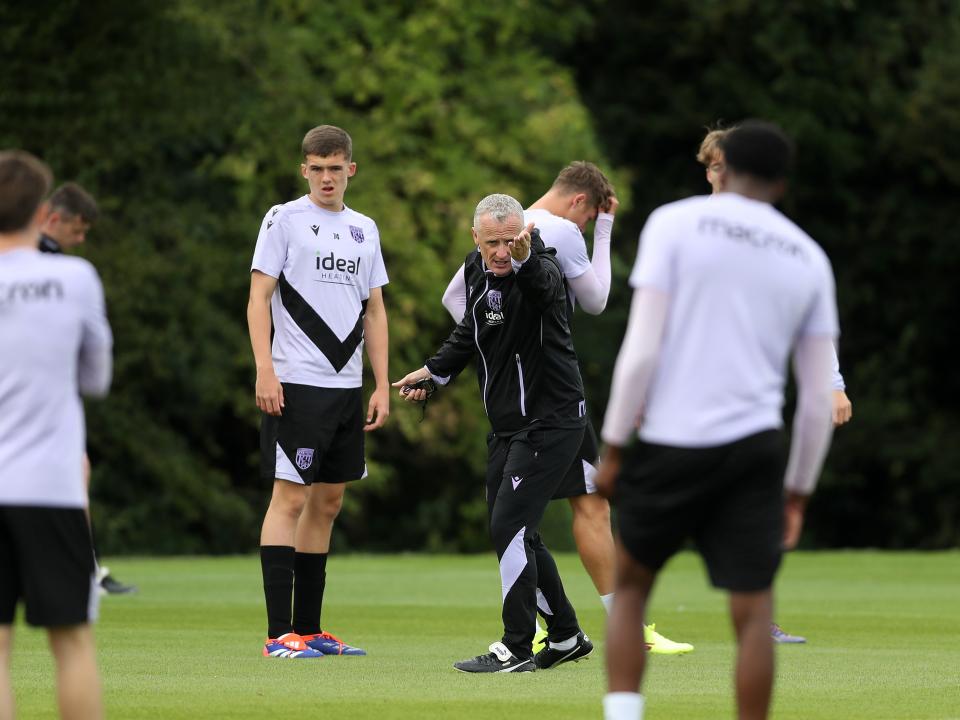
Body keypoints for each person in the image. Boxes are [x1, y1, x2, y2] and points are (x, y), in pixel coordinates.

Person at [597, 121, 837, 720]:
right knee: (754, 610)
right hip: (754, 447)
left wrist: (615, 446)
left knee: (630, 590)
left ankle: (624, 714)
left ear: (720, 167)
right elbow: (813, 400)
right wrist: (799, 492)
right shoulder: (808, 256)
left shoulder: (673, 223)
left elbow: (642, 350)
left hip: (672, 437)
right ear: (782, 183)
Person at [441, 163, 691, 655]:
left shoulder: (502, 225)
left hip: (536, 399)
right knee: (572, 511)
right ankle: (605, 627)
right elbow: (597, 300)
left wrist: (499, 336)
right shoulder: (555, 233)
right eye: (589, 216)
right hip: (552, 396)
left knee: (562, 509)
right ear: (580, 203)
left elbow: (455, 298)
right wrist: (604, 231)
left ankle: (564, 630)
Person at [396, 193, 592, 673]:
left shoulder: (539, 265)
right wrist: (433, 373)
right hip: (508, 428)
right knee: (518, 531)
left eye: (511, 240)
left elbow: (546, 289)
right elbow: (471, 332)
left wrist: (526, 257)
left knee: (509, 527)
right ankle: (565, 636)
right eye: (493, 243)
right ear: (476, 239)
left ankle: (516, 646)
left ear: (524, 233)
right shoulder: (476, 270)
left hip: (551, 422)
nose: (502, 252)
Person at [699, 127, 853, 643]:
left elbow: (806, 310)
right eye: (713, 166)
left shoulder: (776, 239)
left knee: (752, 510)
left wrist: (831, 382)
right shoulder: (684, 230)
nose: (720, 175)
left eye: (727, 165)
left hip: (750, 403)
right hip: (685, 406)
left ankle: (758, 620)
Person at [248, 125, 390, 659]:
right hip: (296, 383)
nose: (327, 177)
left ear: (351, 169)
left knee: (328, 501)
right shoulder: (283, 219)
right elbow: (258, 297)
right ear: (304, 169)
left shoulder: (365, 229)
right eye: (317, 167)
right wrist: (265, 368)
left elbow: (374, 309)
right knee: (290, 497)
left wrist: (380, 383)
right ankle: (276, 635)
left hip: (346, 387)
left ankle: (309, 631)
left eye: (336, 167)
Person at [0, 150, 113, 719]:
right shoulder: (75, 277)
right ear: (41, 211)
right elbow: (96, 379)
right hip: (50, 483)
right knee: (71, 644)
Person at [37, 182, 136, 597]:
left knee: (77, 467)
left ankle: (82, 566)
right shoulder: (50, 266)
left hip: (37, 395)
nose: (80, 240)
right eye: (78, 231)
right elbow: (95, 374)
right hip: (30, 396)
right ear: (52, 218)